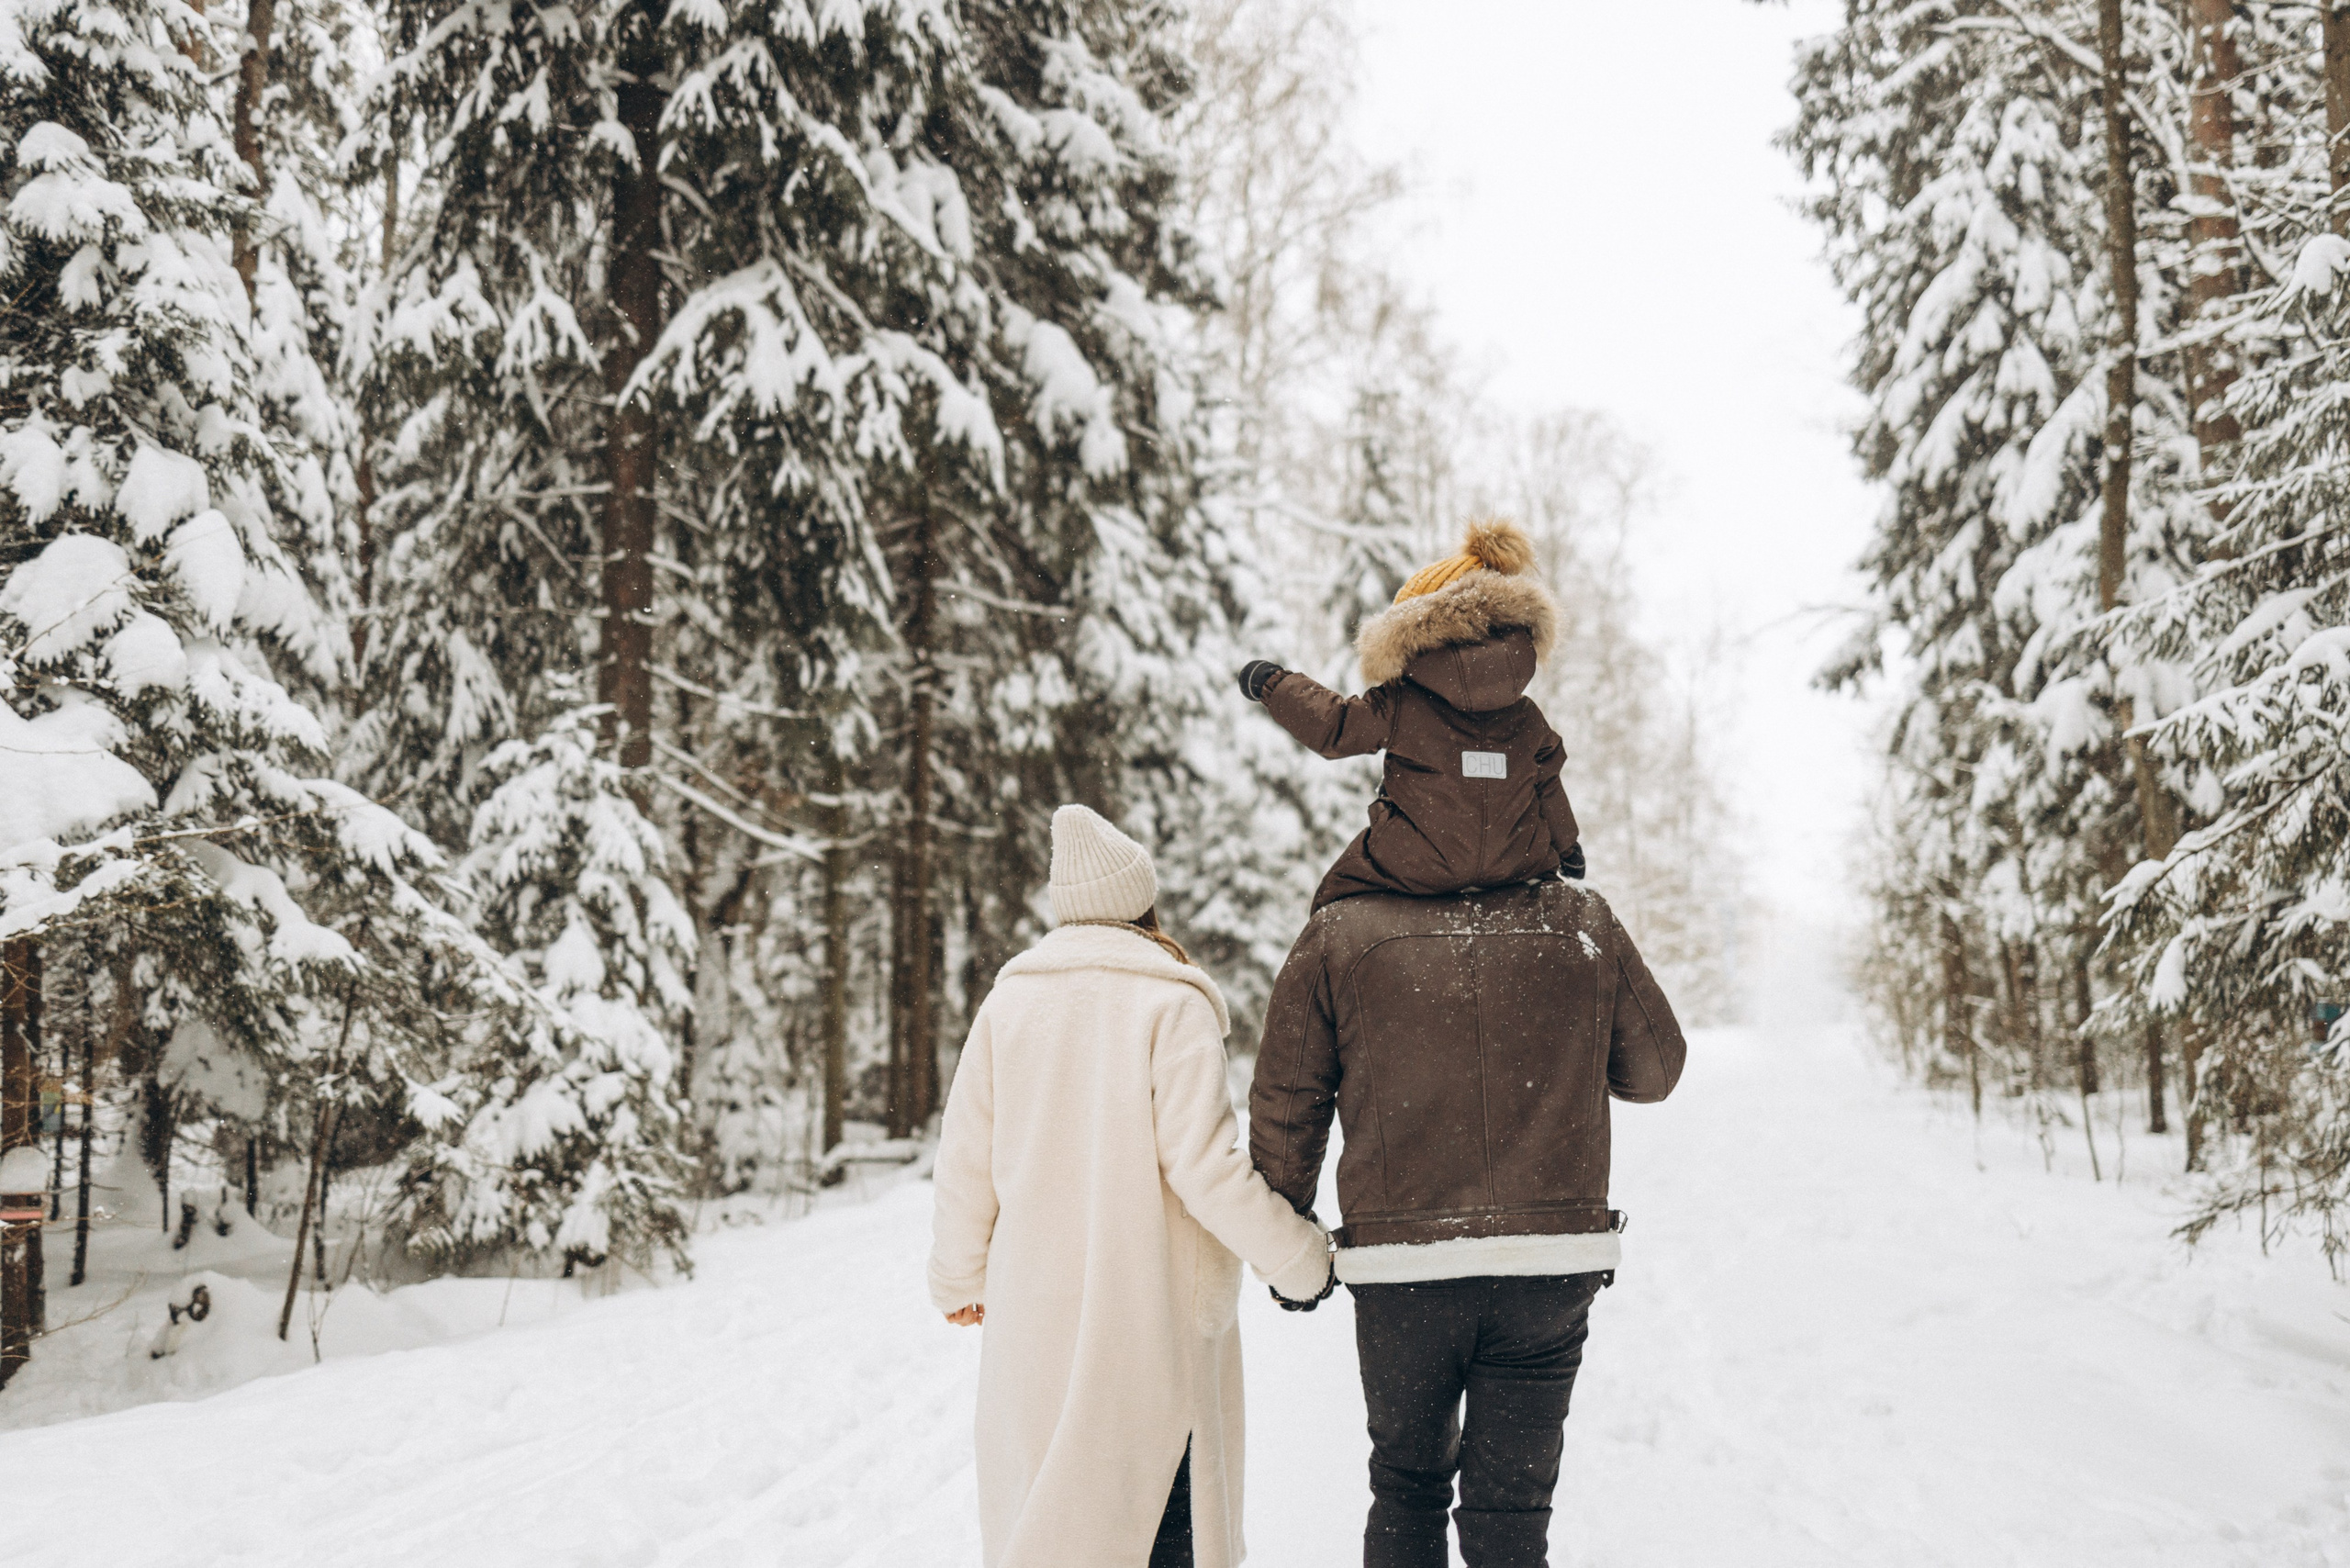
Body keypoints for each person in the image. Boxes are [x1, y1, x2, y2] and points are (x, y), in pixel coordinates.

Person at [929, 804, 1336, 1568]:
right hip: (1142, 1319)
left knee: (1054, 1530)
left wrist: (958, 1279)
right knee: (1150, 1522)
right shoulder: (1168, 1003)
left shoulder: (1008, 1006)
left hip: (1033, 1320)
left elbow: (964, 1162)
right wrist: (1299, 1259)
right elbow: (1207, 1169)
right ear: (1144, 904)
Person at [1248, 875, 1686, 1568]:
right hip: (1546, 1270)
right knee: (1511, 1516)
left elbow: (1288, 1102)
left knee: (1407, 1488)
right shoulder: (1582, 921)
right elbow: (1656, 1070)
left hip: (1403, 1274)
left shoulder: (1342, 931)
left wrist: (1287, 1243)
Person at [1236, 518, 1584, 912]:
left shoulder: (1403, 702)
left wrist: (1273, 684)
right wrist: (1567, 845)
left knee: (1333, 904)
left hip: (1414, 864)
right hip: (1516, 864)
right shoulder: (1527, 717)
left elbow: (1337, 728)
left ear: (1416, 634)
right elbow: (1548, 785)